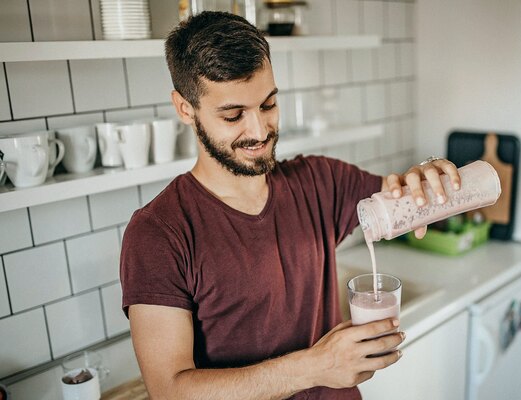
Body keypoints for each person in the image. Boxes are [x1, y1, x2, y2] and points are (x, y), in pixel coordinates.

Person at [120, 11, 461, 400]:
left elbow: (406, 197)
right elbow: (170, 390)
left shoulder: (320, 181)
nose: (259, 130)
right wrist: (316, 366)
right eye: (234, 115)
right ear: (185, 109)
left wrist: (428, 176)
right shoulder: (158, 232)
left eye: (268, 105)